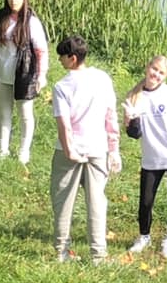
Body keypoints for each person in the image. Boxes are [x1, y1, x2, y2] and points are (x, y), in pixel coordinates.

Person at [50, 35, 121, 264]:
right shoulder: (102, 78)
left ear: (72, 58)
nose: (59, 60)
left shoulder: (61, 86)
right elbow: (111, 116)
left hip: (69, 152)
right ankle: (98, 255)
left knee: (63, 201)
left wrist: (69, 151)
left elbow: (64, 124)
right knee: (97, 202)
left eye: (61, 56)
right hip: (98, 149)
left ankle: (61, 251)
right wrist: (114, 149)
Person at [122, 55, 167, 259]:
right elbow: (134, 134)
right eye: (154, 69)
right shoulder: (134, 96)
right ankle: (144, 236)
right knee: (146, 201)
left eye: (161, 72)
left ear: (166, 75)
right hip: (151, 159)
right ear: (148, 67)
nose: (156, 74)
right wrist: (132, 119)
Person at [0, 0, 48, 164]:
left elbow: (41, 51)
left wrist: (41, 75)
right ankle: (3, 150)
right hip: (2, 73)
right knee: (4, 113)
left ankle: (23, 151)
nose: (13, 0)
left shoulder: (31, 22)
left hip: (24, 73)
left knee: (25, 114)